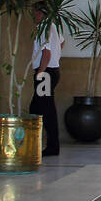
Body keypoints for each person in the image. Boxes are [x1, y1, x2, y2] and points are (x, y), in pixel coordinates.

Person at [29, 18, 64, 157]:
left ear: (39, 12)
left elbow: (46, 52)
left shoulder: (43, 27)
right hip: (52, 70)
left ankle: (52, 146)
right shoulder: (53, 26)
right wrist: (56, 57)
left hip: (45, 73)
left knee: (46, 109)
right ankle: (33, 144)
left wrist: (40, 72)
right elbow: (62, 42)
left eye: (34, 11)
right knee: (36, 107)